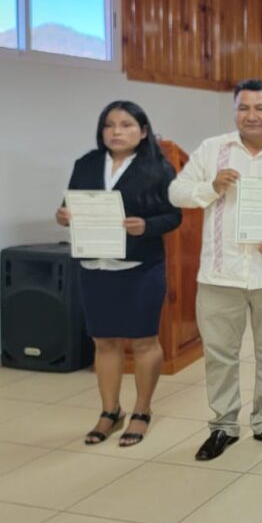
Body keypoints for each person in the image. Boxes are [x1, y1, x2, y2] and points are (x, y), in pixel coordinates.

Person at [169, 79, 262, 460]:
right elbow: (176, 192)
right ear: (235, 112)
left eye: (260, 108)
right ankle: (223, 425)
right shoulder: (212, 151)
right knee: (220, 355)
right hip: (220, 275)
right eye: (244, 108)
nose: (252, 115)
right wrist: (211, 187)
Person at [57, 101, 182, 447]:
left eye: (126, 125)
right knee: (104, 341)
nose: (116, 131)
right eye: (109, 125)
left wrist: (147, 226)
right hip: (95, 266)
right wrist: (63, 216)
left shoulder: (158, 167)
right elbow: (69, 206)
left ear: (143, 131)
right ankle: (110, 411)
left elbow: (174, 216)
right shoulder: (86, 163)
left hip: (139, 268)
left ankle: (142, 410)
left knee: (143, 341)